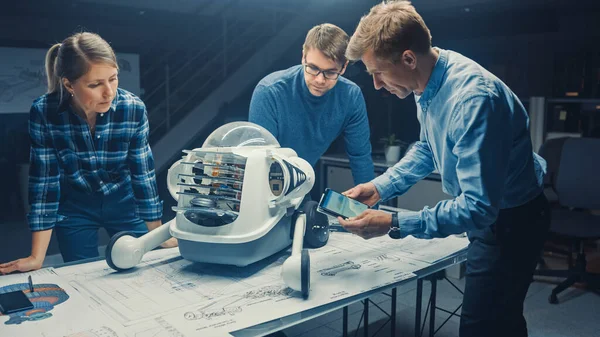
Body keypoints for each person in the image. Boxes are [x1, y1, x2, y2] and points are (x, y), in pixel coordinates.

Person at [338, 2, 549, 337]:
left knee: (482, 328)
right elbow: (429, 147)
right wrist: (381, 187)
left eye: (378, 72)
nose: (376, 84)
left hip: (512, 220)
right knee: (503, 321)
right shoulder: (430, 79)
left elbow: (478, 207)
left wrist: (394, 222)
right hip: (496, 214)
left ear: (408, 59)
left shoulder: (472, 100)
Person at [0, 32, 176, 275]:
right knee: (81, 273)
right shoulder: (44, 112)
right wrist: (36, 257)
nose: (109, 92)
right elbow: (44, 183)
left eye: (113, 79)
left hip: (124, 202)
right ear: (69, 84)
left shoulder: (133, 108)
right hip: (75, 208)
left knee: (145, 268)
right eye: (95, 84)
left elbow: (142, 175)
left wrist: (158, 235)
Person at [249, 23, 374, 186]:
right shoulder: (269, 92)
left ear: (344, 67)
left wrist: (370, 208)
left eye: (330, 72)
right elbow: (261, 162)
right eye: (313, 68)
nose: (320, 80)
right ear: (303, 57)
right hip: (264, 184)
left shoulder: (351, 97)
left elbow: (360, 158)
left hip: (301, 185)